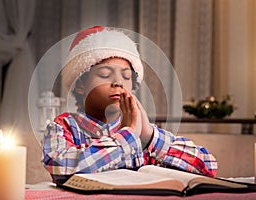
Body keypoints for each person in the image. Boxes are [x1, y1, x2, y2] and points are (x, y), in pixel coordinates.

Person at [42, 26, 218, 185]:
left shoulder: (143, 133)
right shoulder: (64, 126)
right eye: (104, 75)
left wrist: (149, 136)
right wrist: (126, 136)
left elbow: (208, 167)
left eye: (126, 77)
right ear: (80, 85)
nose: (118, 82)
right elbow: (60, 167)